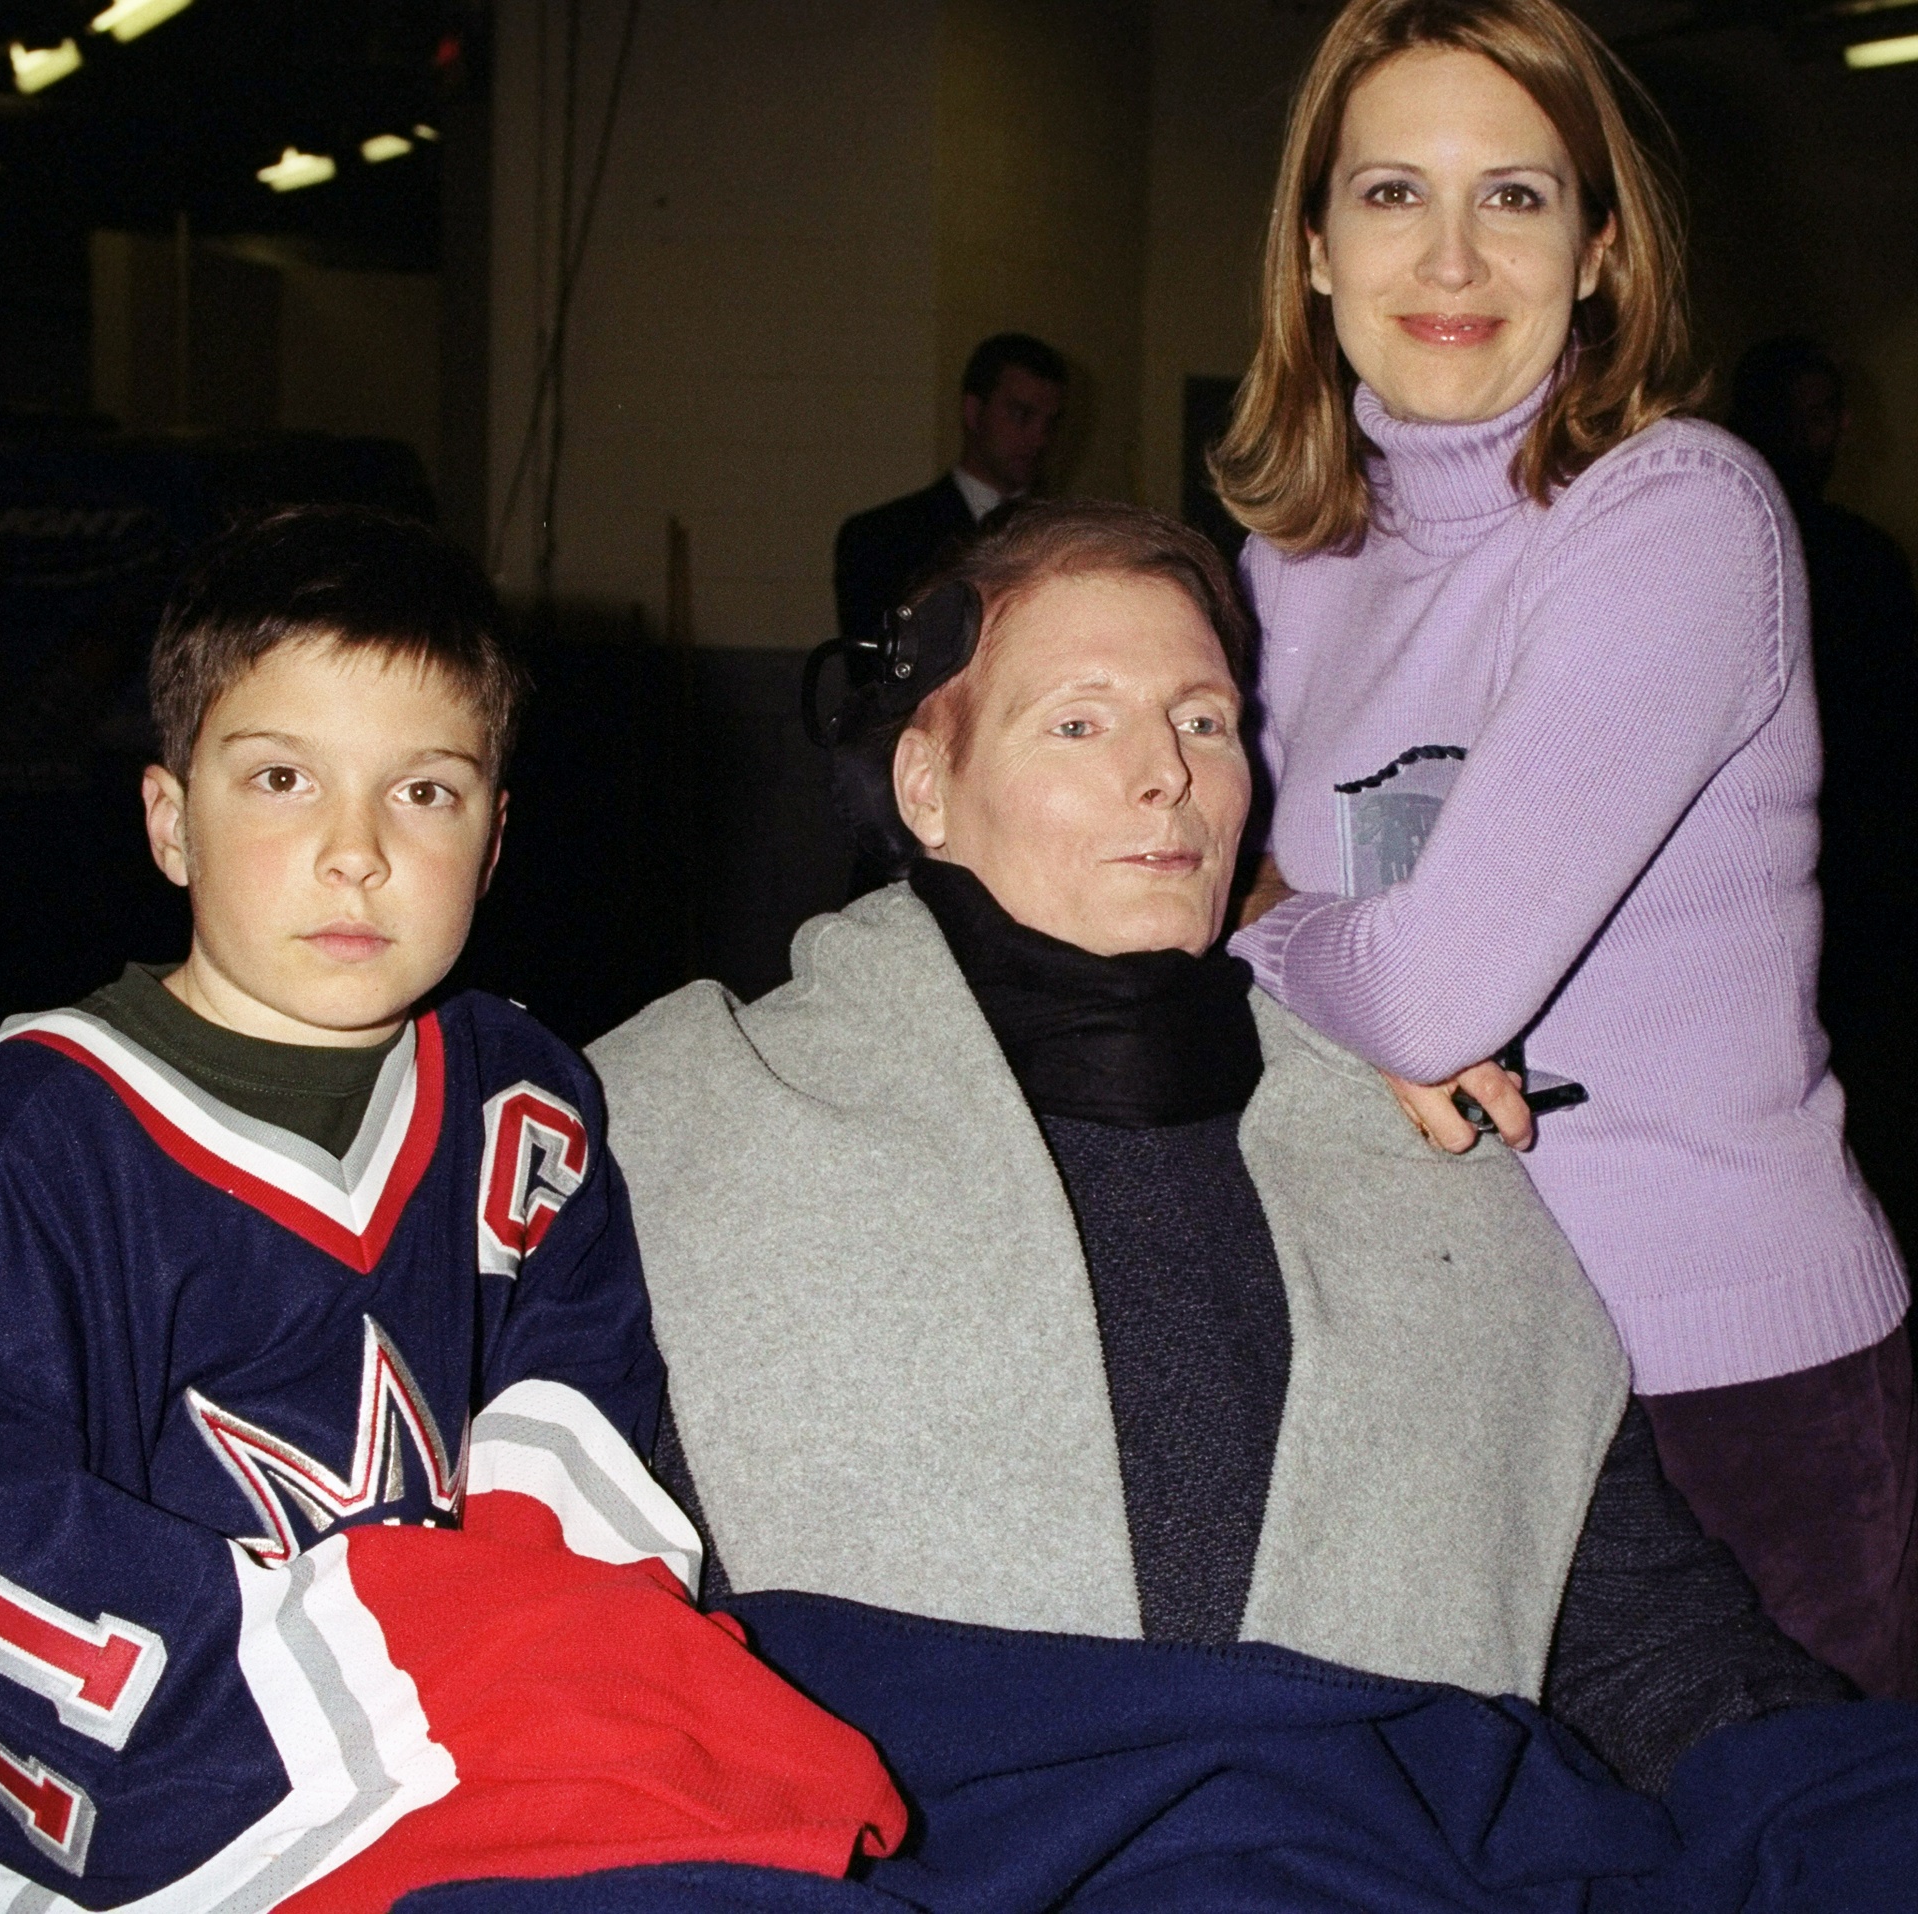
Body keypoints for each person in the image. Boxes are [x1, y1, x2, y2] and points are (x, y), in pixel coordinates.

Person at [557, 501, 1918, 1914]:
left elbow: (1644, 1636)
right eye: (1079, 723)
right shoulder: (685, 1124)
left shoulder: (1416, 1154)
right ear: (926, 784)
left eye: (1202, 721)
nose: (1165, 774)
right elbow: (568, 1644)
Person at [0, 507, 901, 1911]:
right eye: (282, 778)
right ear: (170, 820)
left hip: (481, 1730)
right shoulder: (31, 1148)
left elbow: (571, 1422)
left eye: (423, 791)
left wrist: (566, 1686)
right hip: (201, 1793)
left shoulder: (519, 1100)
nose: (355, 851)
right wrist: (399, 1673)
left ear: (493, 836)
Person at [1210, 0, 1915, 1701]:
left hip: (1712, 1377)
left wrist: (1270, 917)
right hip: (1438, 1348)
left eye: (1514, 196)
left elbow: (1426, 984)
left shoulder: (1676, 516)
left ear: (1600, 249)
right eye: (1391, 192)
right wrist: (1282, 929)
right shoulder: (1293, 557)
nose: (1450, 256)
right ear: (1312, 248)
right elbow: (1192, 898)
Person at [1728, 336, 1918, 1246]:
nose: (1814, 437)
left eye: (1822, 416)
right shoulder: (1724, 543)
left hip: (1859, 878)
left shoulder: (1863, 559)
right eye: (1793, 416)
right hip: (1764, 883)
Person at [832, 331, 1067, 644]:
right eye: (1020, 415)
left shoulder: (1062, 539)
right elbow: (872, 664)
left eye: (1050, 423)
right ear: (973, 412)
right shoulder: (881, 538)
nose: (1039, 439)